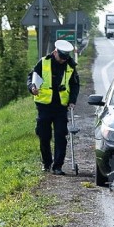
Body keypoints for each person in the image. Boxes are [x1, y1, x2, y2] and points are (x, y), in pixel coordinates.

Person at [26, 39, 79, 175]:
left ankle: (58, 166)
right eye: (61, 57)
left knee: (61, 135)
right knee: (44, 136)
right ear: (55, 52)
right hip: (44, 106)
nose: (63, 60)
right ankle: (47, 163)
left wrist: (72, 100)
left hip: (61, 107)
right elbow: (31, 77)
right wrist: (32, 87)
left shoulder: (70, 66)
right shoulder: (43, 62)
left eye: (65, 58)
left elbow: (75, 85)